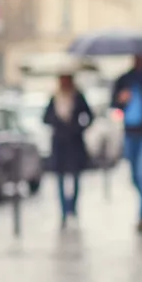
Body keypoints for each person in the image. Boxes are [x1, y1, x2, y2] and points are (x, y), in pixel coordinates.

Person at [43, 73, 92, 227]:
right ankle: (64, 211)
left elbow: (89, 115)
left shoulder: (78, 97)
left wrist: (78, 127)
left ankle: (73, 206)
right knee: (60, 179)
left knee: (76, 177)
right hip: (59, 144)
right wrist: (56, 122)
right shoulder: (54, 98)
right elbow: (45, 118)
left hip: (74, 143)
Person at [112, 53, 142, 232]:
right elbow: (114, 104)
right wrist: (121, 100)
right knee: (134, 176)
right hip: (130, 132)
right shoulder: (124, 79)